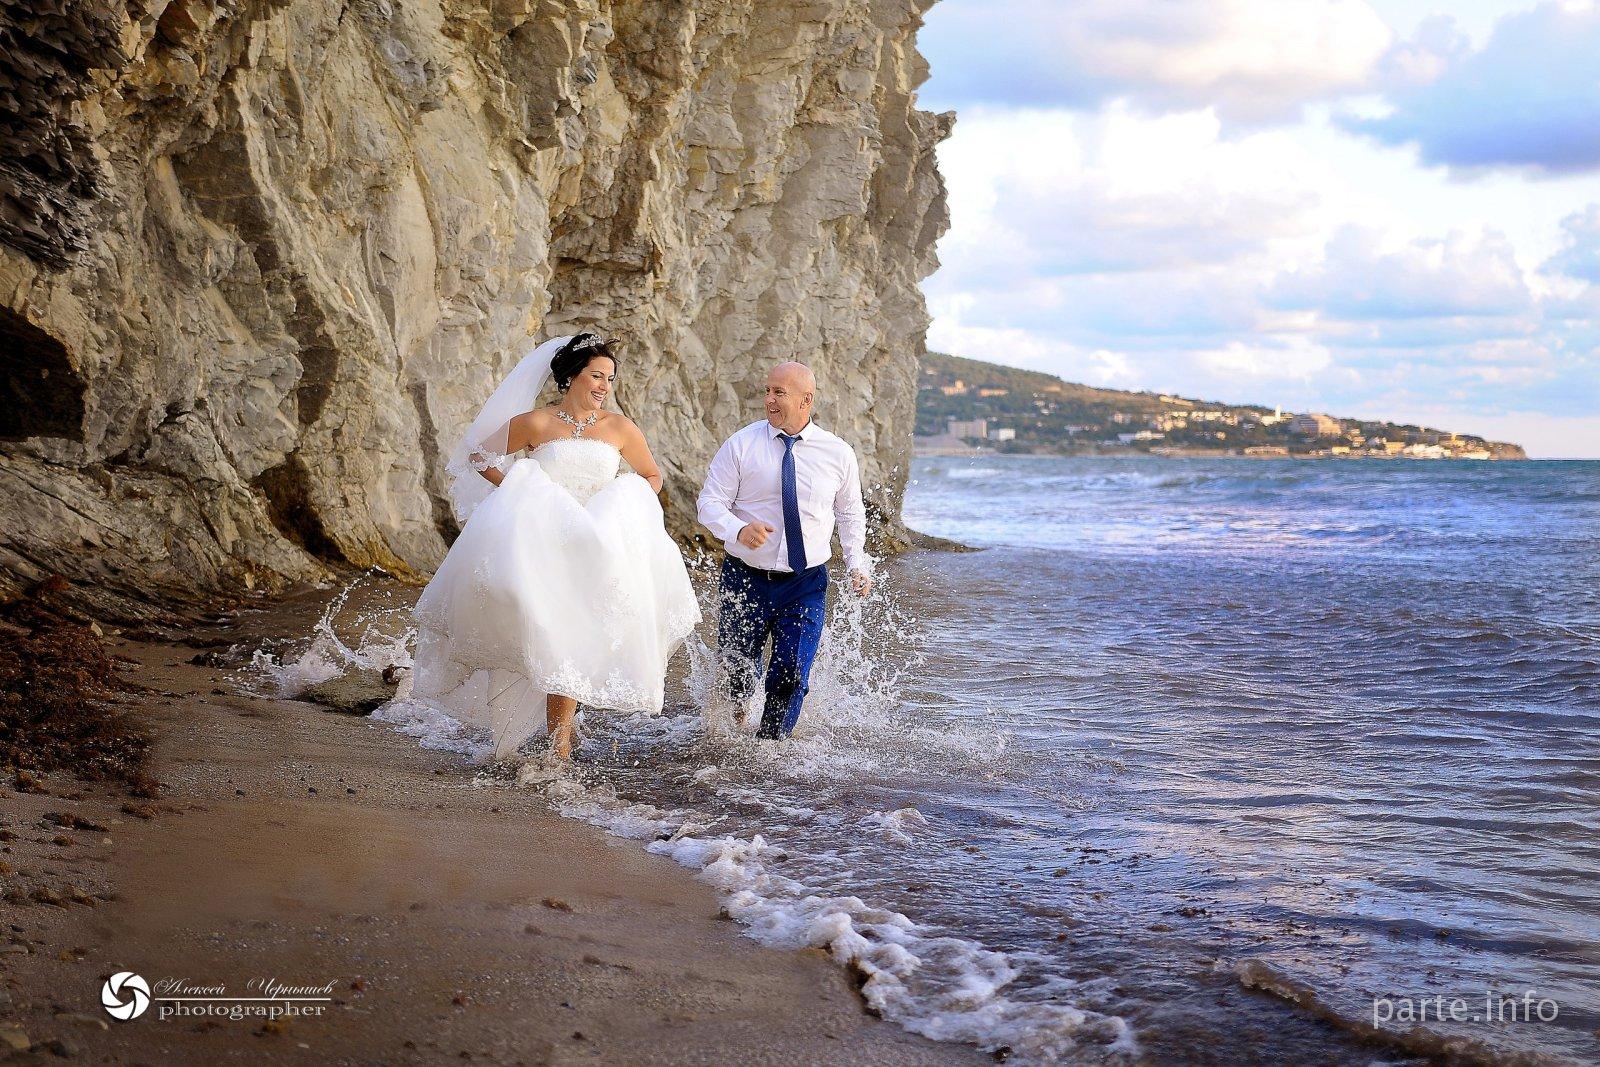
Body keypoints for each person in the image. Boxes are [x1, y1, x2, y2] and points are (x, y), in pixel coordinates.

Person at [410, 332, 700, 761]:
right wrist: (520, 492)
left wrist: (628, 500)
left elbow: (652, 476)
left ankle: (561, 736)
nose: (604, 386)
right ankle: (556, 741)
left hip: (598, 543)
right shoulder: (537, 422)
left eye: (610, 379)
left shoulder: (620, 428)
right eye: (596, 376)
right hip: (545, 542)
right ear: (572, 376)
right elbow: (480, 457)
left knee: (578, 631)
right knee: (550, 630)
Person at [696, 361, 873, 740]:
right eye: (767, 391)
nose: (769, 400)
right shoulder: (741, 444)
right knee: (738, 676)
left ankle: (771, 750)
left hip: (805, 583)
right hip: (744, 578)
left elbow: (850, 512)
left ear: (806, 400)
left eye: (779, 393)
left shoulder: (838, 453)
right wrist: (738, 529)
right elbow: (709, 504)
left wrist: (856, 562)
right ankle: (732, 738)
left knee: (791, 672)